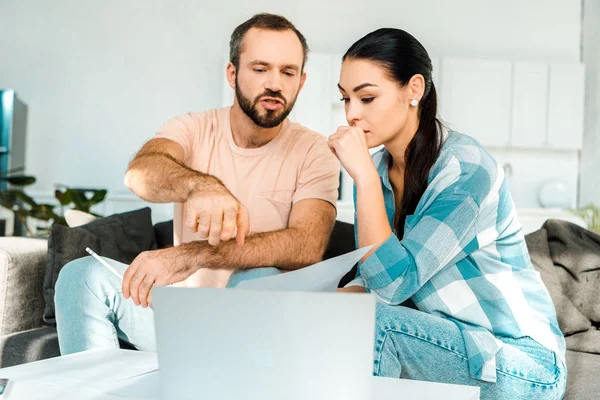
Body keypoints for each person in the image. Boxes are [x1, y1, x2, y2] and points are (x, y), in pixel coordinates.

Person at [55, 13, 340, 355]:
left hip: (257, 328)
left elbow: (307, 246)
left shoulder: (315, 150)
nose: (275, 84)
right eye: (260, 69)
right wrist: (200, 186)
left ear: (302, 81)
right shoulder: (192, 128)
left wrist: (194, 255)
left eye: (288, 72)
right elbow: (140, 172)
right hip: (179, 319)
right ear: (232, 74)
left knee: (258, 277)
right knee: (80, 276)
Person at [329, 28, 566, 399]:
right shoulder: (374, 169)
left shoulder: (465, 169)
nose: (351, 114)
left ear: (414, 90)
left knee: (375, 325)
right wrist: (343, 296)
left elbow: (393, 285)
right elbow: (373, 273)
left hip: (519, 362)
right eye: (346, 99)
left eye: (367, 97)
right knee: (341, 315)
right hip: (443, 341)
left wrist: (362, 178)